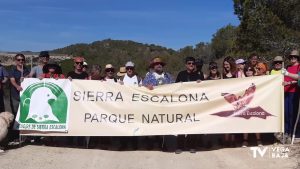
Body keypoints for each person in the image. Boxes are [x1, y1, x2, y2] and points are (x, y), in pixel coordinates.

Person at [142, 57, 173, 150]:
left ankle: (162, 143)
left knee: (164, 124)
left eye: (161, 64)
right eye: (157, 64)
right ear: (153, 66)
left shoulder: (168, 76)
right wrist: (147, 86)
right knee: (152, 123)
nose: (159, 65)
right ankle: (151, 141)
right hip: (153, 105)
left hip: (165, 105)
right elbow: (141, 88)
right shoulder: (148, 77)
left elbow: (175, 87)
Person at [175, 56, 202, 154]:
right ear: (186, 64)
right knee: (182, 125)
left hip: (194, 105)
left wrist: (201, 83)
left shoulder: (199, 75)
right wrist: (179, 85)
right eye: (189, 63)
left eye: (193, 63)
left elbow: (204, 89)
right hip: (183, 105)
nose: (191, 65)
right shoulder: (181, 74)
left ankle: (192, 146)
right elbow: (175, 88)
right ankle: (180, 146)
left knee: (193, 125)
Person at [9, 54, 30, 142]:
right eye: (19, 60)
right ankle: (15, 136)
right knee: (16, 115)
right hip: (15, 96)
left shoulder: (27, 70)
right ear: (15, 61)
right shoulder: (12, 70)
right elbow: (12, 80)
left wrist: (25, 78)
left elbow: (30, 78)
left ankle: (25, 135)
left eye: (22, 60)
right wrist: (17, 86)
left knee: (25, 115)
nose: (21, 61)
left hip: (25, 97)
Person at [241, 64, 262, 147]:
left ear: (253, 71)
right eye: (247, 70)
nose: (248, 71)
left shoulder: (258, 79)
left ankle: (259, 140)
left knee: (256, 121)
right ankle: (245, 141)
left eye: (250, 69)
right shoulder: (242, 81)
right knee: (245, 122)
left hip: (255, 103)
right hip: (245, 104)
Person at [283, 50, 300, 141]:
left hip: (295, 92)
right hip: (286, 92)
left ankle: (294, 133)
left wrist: (288, 81)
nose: (293, 58)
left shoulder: (299, 66)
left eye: (295, 57)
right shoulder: (288, 67)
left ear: (297, 58)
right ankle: (287, 131)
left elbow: (298, 78)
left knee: (293, 113)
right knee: (286, 112)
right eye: (291, 57)